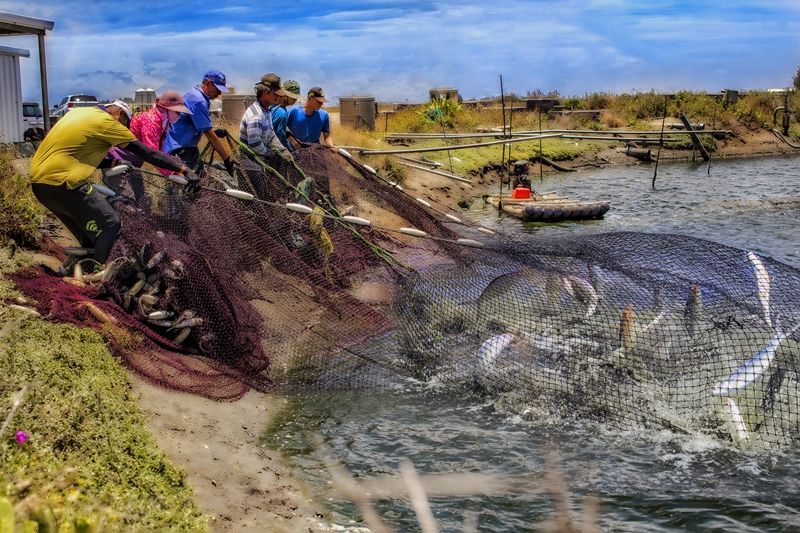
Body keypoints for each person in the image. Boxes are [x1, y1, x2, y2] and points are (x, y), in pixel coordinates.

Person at [28, 100, 200, 265]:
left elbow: (76, 152)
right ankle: (103, 274)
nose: (123, 130)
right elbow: (149, 154)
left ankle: (82, 269)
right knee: (111, 223)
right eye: (125, 124)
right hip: (65, 183)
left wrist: (113, 163)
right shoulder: (108, 123)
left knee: (89, 236)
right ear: (120, 113)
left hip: (40, 183)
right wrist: (184, 169)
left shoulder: (80, 113)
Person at [104, 90, 192, 202]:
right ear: (167, 110)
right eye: (177, 112)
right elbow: (152, 154)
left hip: (132, 165)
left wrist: (176, 165)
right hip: (116, 162)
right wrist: (175, 172)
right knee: (126, 201)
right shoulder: (151, 121)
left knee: (144, 201)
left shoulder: (162, 123)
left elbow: (161, 151)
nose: (179, 115)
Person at [163, 70, 237, 176]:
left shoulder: (196, 95)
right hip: (179, 151)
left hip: (187, 149)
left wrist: (215, 131)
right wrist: (226, 159)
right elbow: (210, 136)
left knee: (197, 183)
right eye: (217, 89)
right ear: (208, 83)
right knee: (182, 186)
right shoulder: (198, 101)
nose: (219, 93)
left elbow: (198, 126)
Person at [239, 73, 293, 164]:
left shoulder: (266, 111)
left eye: (279, 95)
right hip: (250, 166)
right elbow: (254, 143)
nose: (278, 97)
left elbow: (271, 136)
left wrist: (283, 150)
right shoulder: (256, 115)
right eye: (275, 94)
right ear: (264, 91)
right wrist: (269, 154)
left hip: (259, 163)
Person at [287, 86, 336, 151]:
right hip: (295, 150)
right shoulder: (293, 111)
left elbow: (327, 136)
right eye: (319, 101)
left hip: (314, 152)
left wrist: (331, 146)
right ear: (309, 98)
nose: (321, 104)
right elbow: (281, 130)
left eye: (322, 101)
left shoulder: (324, 115)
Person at [270, 79, 301, 152]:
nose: (295, 100)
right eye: (293, 97)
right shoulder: (282, 113)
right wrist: (292, 152)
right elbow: (280, 139)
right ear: (285, 95)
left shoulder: (271, 105)